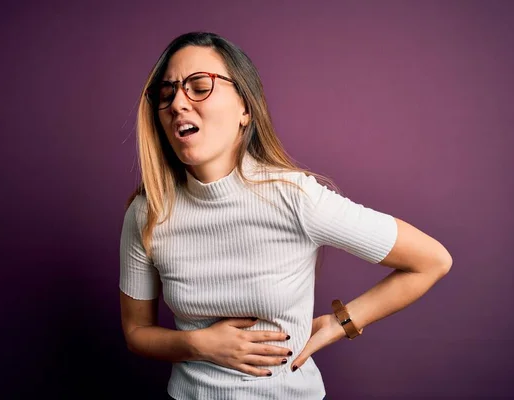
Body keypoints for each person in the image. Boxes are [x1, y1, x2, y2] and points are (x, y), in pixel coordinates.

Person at [119, 31, 452, 400]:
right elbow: (136, 334)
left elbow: (432, 260)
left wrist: (342, 322)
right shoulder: (148, 213)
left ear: (245, 108)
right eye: (167, 94)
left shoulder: (294, 196)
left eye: (199, 86)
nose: (178, 103)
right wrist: (199, 345)